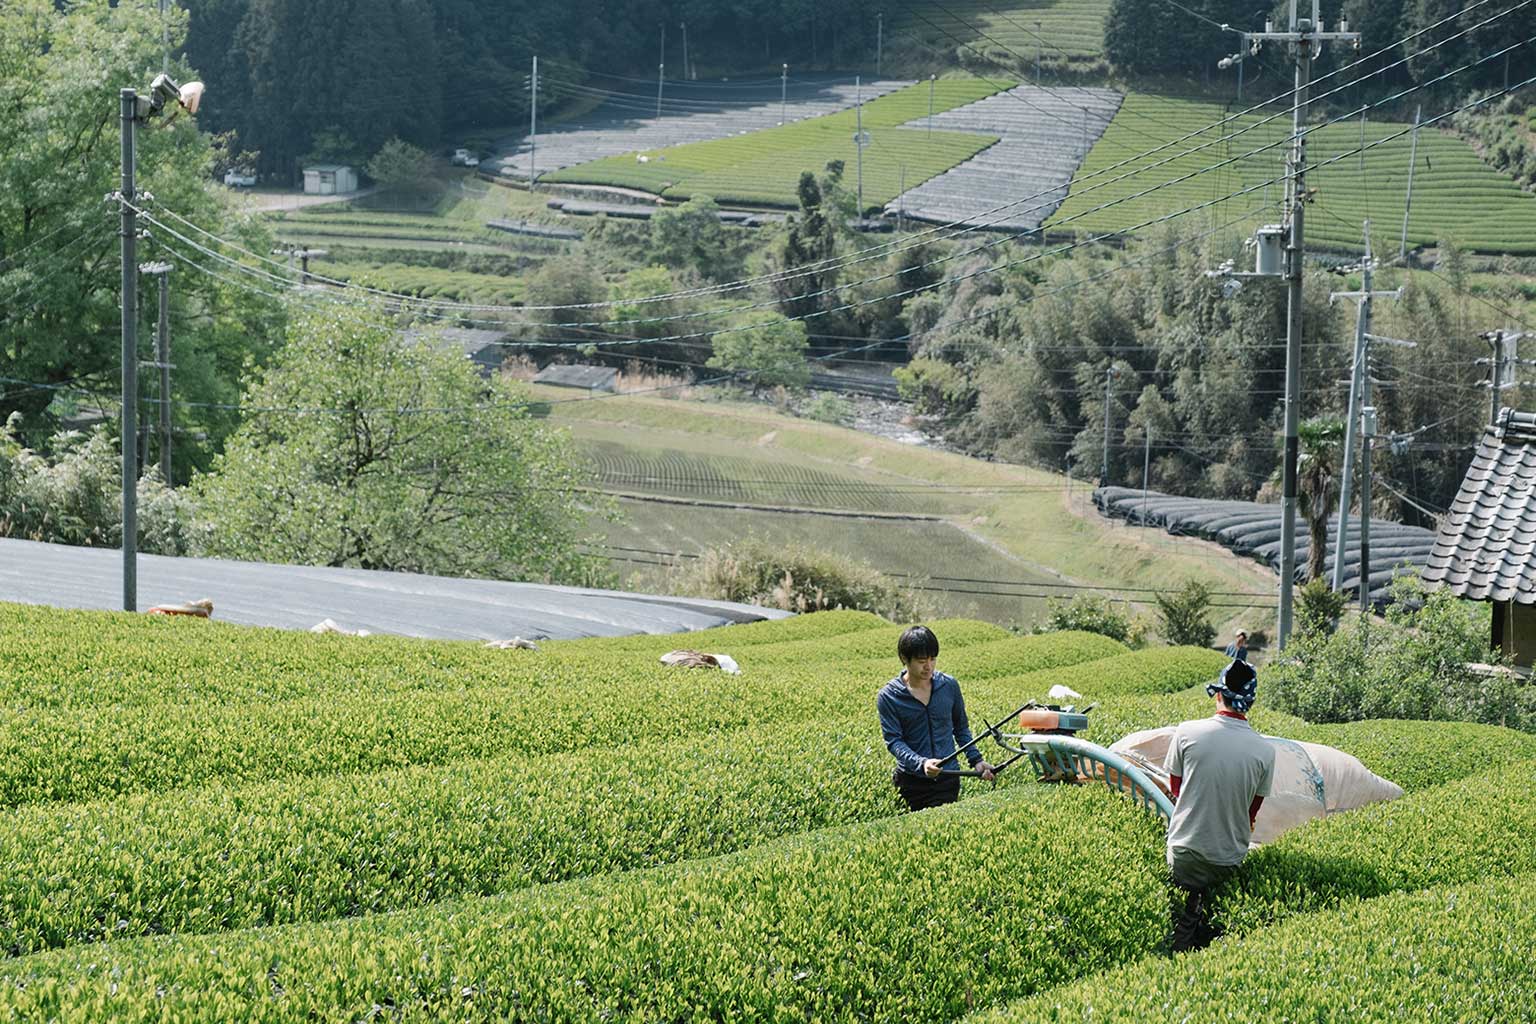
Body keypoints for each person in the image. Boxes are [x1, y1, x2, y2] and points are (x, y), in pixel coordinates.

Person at [1163, 658, 1274, 953]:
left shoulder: (1187, 732)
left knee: (1183, 911)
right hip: (1227, 859)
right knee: (1214, 915)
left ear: (1218, 695)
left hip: (1184, 852)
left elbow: (1176, 790)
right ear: (1250, 703)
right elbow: (1252, 811)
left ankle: (1183, 936)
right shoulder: (1265, 751)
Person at [876, 625, 994, 811]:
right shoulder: (889, 696)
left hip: (948, 779)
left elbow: (961, 728)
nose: (928, 666)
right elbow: (894, 741)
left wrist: (977, 761)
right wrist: (921, 763)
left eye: (932, 659)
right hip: (910, 783)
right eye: (922, 661)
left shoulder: (949, 686)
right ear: (904, 659)